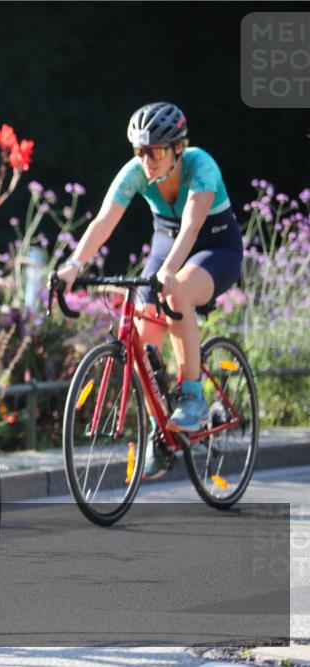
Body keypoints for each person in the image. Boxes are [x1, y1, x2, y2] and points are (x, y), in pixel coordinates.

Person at [55, 102, 243, 476]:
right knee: (143, 336)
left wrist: (170, 272)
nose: (147, 160)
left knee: (178, 293)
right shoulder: (136, 173)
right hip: (165, 243)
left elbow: (191, 226)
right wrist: (73, 266)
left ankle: (192, 396)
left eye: (155, 151)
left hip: (215, 246)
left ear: (177, 148)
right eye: (140, 151)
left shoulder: (200, 165)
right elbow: (105, 219)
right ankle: (161, 431)